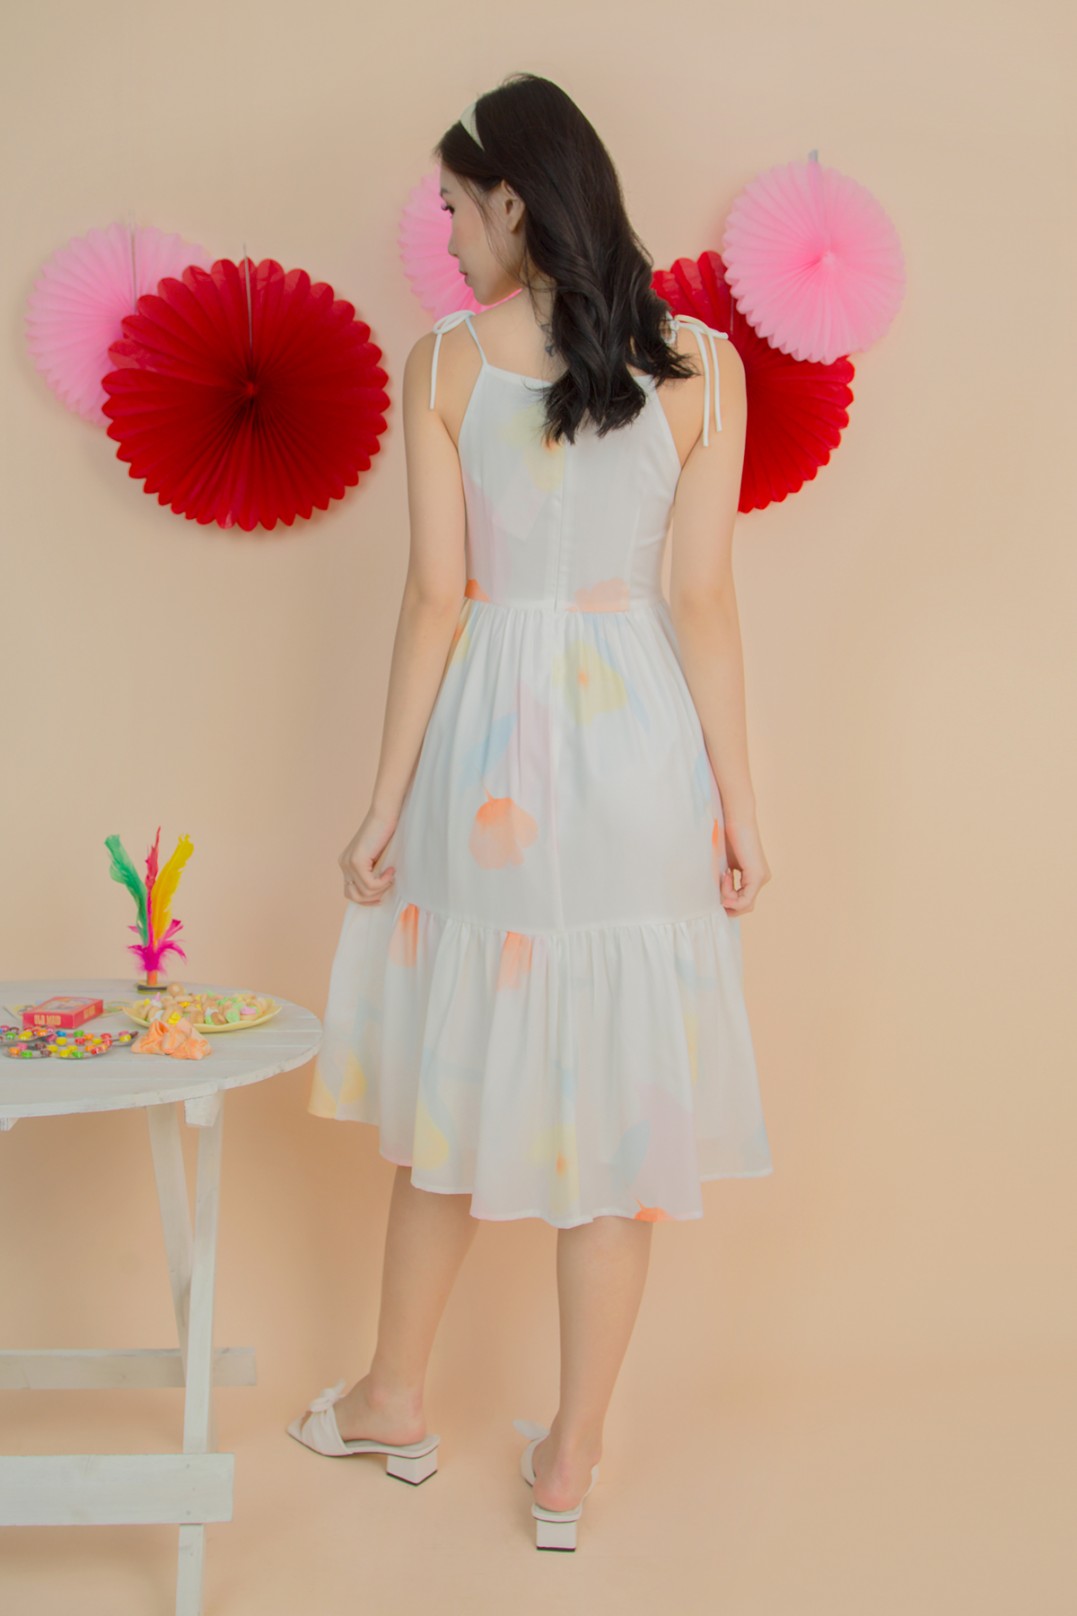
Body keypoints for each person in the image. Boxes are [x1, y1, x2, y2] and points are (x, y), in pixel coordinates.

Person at [289, 73, 774, 1549]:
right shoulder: (705, 365)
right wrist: (740, 807)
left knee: (455, 1081)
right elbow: (703, 602)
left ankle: (392, 1396)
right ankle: (568, 1462)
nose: (444, 233)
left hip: (492, 758)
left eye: (453, 204)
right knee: (617, 1121)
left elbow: (436, 601)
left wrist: (381, 806)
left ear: (511, 196)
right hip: (637, 757)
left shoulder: (446, 363)